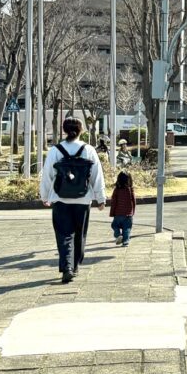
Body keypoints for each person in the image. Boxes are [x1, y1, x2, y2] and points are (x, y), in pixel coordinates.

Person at [39, 117, 106, 284]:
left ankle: (67, 267)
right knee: (79, 234)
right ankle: (74, 266)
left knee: (64, 235)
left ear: (64, 130)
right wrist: (100, 198)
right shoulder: (88, 149)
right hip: (82, 200)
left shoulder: (55, 150)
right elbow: (96, 176)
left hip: (60, 199)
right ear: (80, 130)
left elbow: (47, 175)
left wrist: (45, 196)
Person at [109, 170, 136, 247]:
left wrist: (112, 213)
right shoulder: (131, 190)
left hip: (118, 214)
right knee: (127, 228)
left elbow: (113, 202)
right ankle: (125, 242)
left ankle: (118, 235)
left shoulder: (116, 190)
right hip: (128, 214)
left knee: (114, 225)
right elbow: (134, 201)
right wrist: (132, 212)